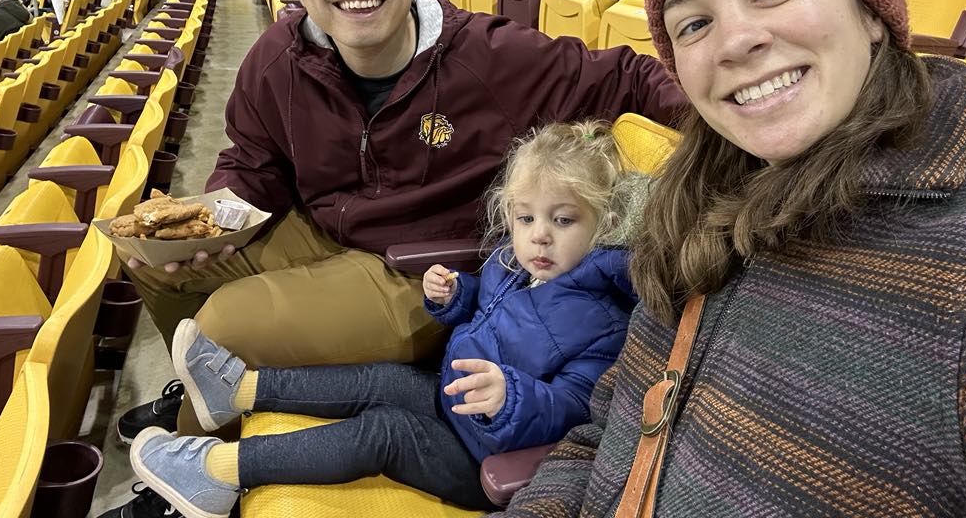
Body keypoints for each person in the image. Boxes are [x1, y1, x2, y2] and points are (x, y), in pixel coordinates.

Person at [106, 0, 688, 516]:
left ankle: (191, 476)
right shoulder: (277, 58)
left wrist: (738, 130)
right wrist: (219, 217)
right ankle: (203, 399)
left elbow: (631, 75)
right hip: (323, 228)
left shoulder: (492, 57)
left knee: (223, 324)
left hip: (419, 272)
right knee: (146, 262)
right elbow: (253, 161)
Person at [498, 0, 966, 517]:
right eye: (695, 23)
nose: (734, 41)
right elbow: (609, 435)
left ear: (871, 7)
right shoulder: (695, 205)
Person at [128, 120, 641, 517]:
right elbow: (487, 311)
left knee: (384, 431)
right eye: (526, 217)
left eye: (564, 219)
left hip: (484, 456)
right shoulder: (514, 263)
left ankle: (216, 473)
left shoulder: (606, 323)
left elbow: (576, 409)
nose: (539, 235)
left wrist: (512, 397)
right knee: (379, 379)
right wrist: (455, 295)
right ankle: (238, 391)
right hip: (451, 398)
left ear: (606, 223)